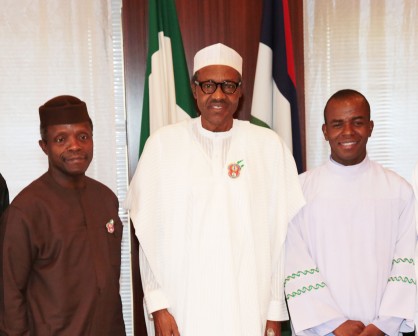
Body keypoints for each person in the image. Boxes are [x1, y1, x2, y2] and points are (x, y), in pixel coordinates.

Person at [125, 43, 305, 336]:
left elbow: (279, 238)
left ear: (240, 91)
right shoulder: (162, 145)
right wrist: (158, 306)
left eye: (228, 85)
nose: (218, 95)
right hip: (183, 309)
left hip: (249, 308)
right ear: (195, 90)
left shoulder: (269, 147)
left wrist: (274, 312)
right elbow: (148, 235)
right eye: (208, 85)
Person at [284, 89, 416, 336]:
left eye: (357, 122)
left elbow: (406, 263)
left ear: (371, 127)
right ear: (325, 131)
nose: (348, 132)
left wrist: (382, 326)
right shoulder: (299, 191)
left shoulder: (398, 191)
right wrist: (334, 325)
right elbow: (294, 262)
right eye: (337, 124)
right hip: (321, 331)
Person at [0, 95, 126, 335]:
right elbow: (8, 297)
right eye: (61, 139)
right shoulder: (25, 210)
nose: (75, 146)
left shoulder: (106, 199)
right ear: (44, 146)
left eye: (83, 136)